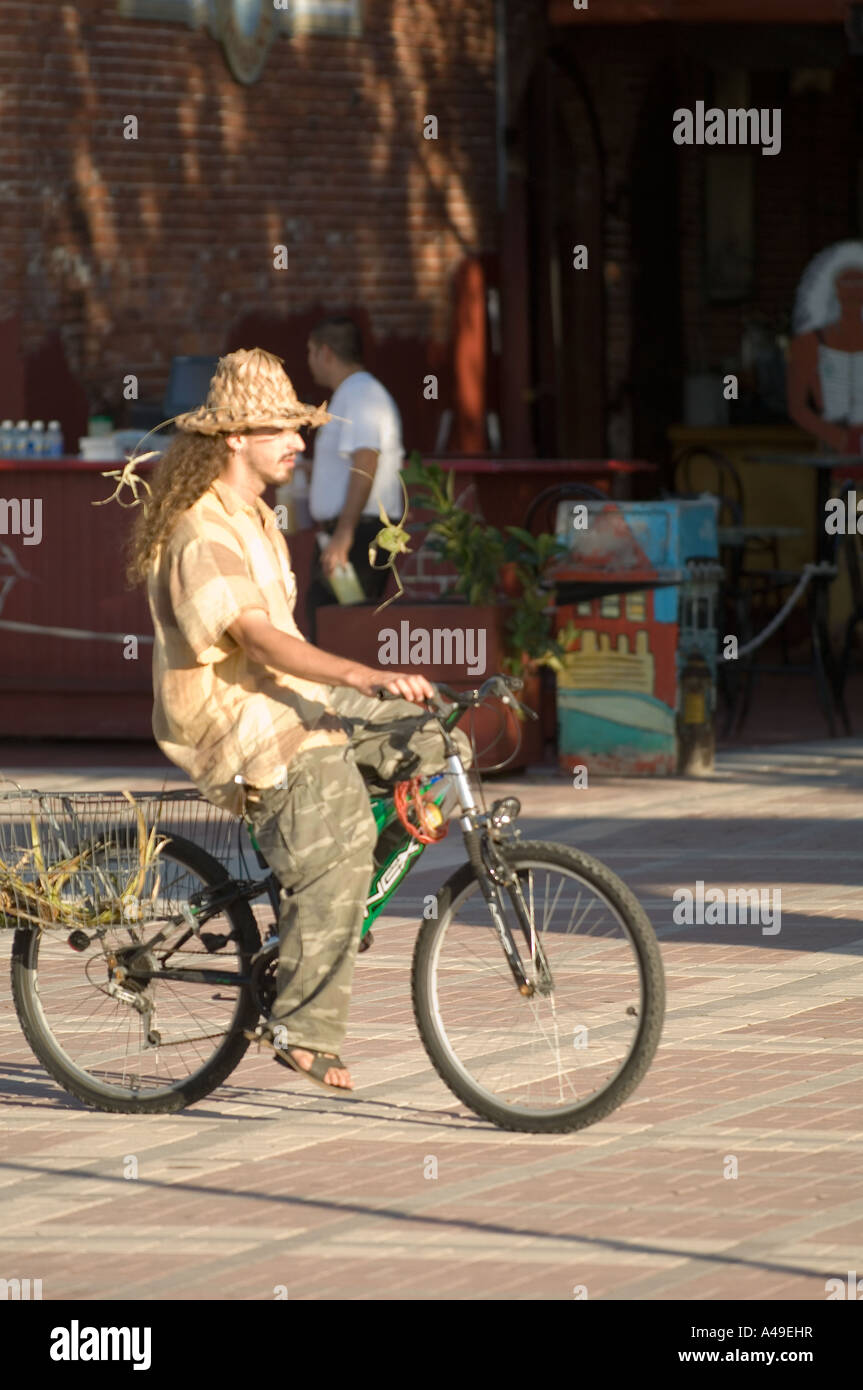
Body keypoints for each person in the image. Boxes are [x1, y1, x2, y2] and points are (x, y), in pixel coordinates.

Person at [126, 348, 471, 1095]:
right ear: (233, 438)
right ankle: (301, 1024)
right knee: (337, 839)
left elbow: (285, 649)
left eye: (298, 428)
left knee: (442, 735)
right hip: (242, 722)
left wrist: (367, 689)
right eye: (282, 429)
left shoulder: (258, 515)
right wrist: (359, 672)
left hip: (289, 697)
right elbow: (254, 637)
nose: (298, 442)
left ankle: (323, 913)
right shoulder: (197, 528)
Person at [305, 316, 405, 640]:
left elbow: (366, 459)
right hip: (355, 527)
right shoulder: (354, 392)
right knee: (333, 619)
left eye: (310, 351)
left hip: (361, 530)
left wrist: (344, 535)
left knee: (338, 624)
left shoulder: (361, 393)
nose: (309, 361)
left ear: (325, 353)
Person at [788, 242, 863, 465]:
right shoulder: (809, 342)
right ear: (833, 287)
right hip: (833, 449)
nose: (854, 289)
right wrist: (836, 437)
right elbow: (797, 406)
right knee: (840, 496)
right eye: (846, 281)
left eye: (859, 282)